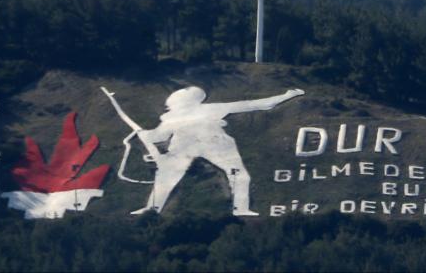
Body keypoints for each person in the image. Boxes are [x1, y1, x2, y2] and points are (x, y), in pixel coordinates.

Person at [114, 85, 303, 216]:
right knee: (165, 178)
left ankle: (241, 208)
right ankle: (151, 210)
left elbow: (257, 104)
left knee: (239, 175)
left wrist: (287, 96)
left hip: (215, 144)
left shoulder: (209, 109)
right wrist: (147, 135)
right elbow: (159, 136)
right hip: (187, 146)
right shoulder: (172, 118)